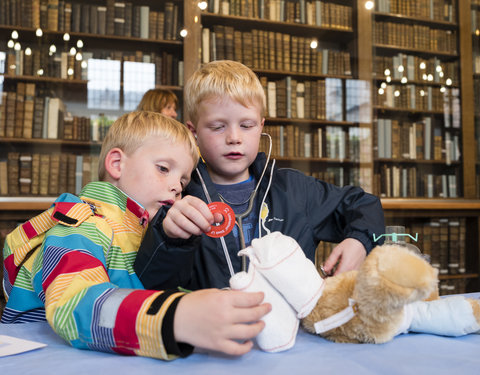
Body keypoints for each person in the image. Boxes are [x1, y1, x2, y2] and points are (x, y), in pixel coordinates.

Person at [1, 111, 271, 359]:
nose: (177, 187)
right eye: (164, 169)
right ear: (117, 164)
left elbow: (138, 292)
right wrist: (175, 317)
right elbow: (74, 306)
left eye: (183, 181)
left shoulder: (142, 231)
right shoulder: (83, 224)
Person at [134, 60, 385, 291]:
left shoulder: (296, 190)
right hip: (214, 336)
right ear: (193, 131)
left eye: (246, 125)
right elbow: (149, 284)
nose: (234, 137)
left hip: (295, 338)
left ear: (261, 127)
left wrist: (360, 241)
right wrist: (168, 239)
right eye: (218, 127)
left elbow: (366, 205)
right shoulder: (178, 199)